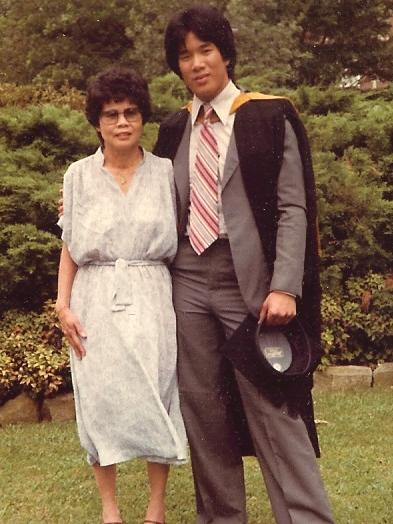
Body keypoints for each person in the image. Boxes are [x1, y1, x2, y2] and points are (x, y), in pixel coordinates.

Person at [153, 5, 335, 523]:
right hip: (188, 279)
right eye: (184, 56)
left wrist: (286, 286)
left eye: (205, 50)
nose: (196, 63)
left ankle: (306, 518)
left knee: (273, 406)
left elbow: (292, 206)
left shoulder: (267, 115)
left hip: (249, 281)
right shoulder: (174, 128)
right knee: (203, 409)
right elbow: (155, 204)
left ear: (226, 53)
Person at [56, 66, 187, 524]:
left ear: (143, 117)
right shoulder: (77, 176)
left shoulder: (167, 173)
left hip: (153, 293)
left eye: (131, 112)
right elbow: (70, 245)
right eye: (111, 114)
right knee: (99, 397)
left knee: (158, 389)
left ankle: (156, 508)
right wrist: (62, 304)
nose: (122, 122)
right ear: (97, 121)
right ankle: (110, 509)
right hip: (95, 295)